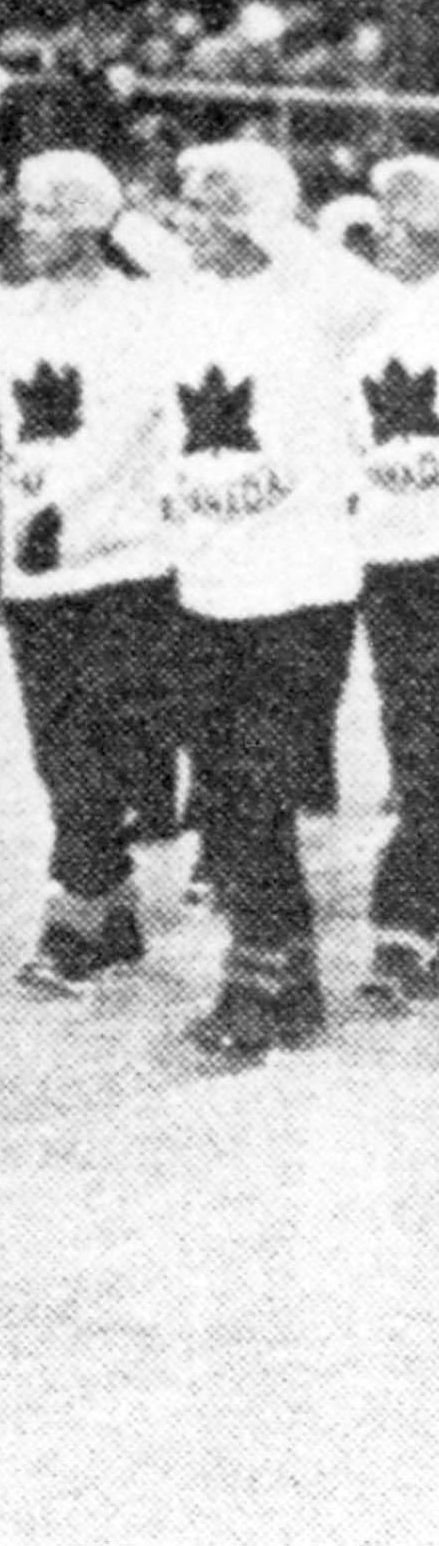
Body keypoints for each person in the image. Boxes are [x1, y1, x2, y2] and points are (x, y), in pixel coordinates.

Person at [0, 152, 188, 994]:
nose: (25, 227)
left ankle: (76, 919)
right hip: (37, 570)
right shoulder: (9, 316)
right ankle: (112, 907)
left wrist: (74, 509)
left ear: (91, 224)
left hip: (128, 562)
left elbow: (136, 425)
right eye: (23, 210)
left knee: (103, 748)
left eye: (47, 213)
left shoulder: (146, 310)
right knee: (59, 750)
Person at [156, 139, 388, 1062]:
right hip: (205, 584)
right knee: (224, 798)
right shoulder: (186, 301)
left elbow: (370, 297)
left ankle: (263, 983)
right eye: (187, 202)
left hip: (300, 591)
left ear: (258, 216)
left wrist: (270, 222)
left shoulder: (315, 300)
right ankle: (281, 979)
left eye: (212, 206)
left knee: (256, 787)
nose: (189, 220)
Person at [348, 155, 439, 1012]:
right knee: (417, 741)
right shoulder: (362, 315)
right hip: (393, 559)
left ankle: (407, 920)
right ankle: (410, 920)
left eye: (405, 216)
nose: (387, 231)